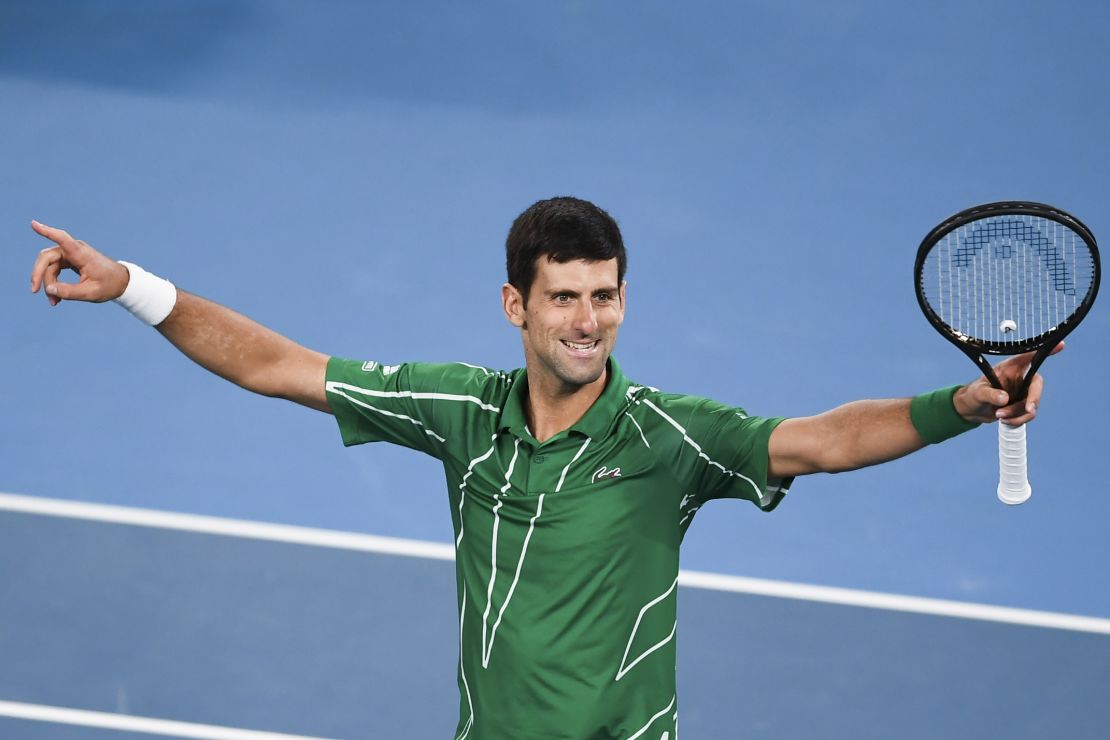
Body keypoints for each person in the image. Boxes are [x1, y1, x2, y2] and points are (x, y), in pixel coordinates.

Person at [29, 197, 1051, 739]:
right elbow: (281, 366)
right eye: (564, 297)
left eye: (604, 296)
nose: (588, 320)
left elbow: (824, 440)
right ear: (516, 304)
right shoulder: (462, 412)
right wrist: (134, 288)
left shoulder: (666, 436)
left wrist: (964, 402)